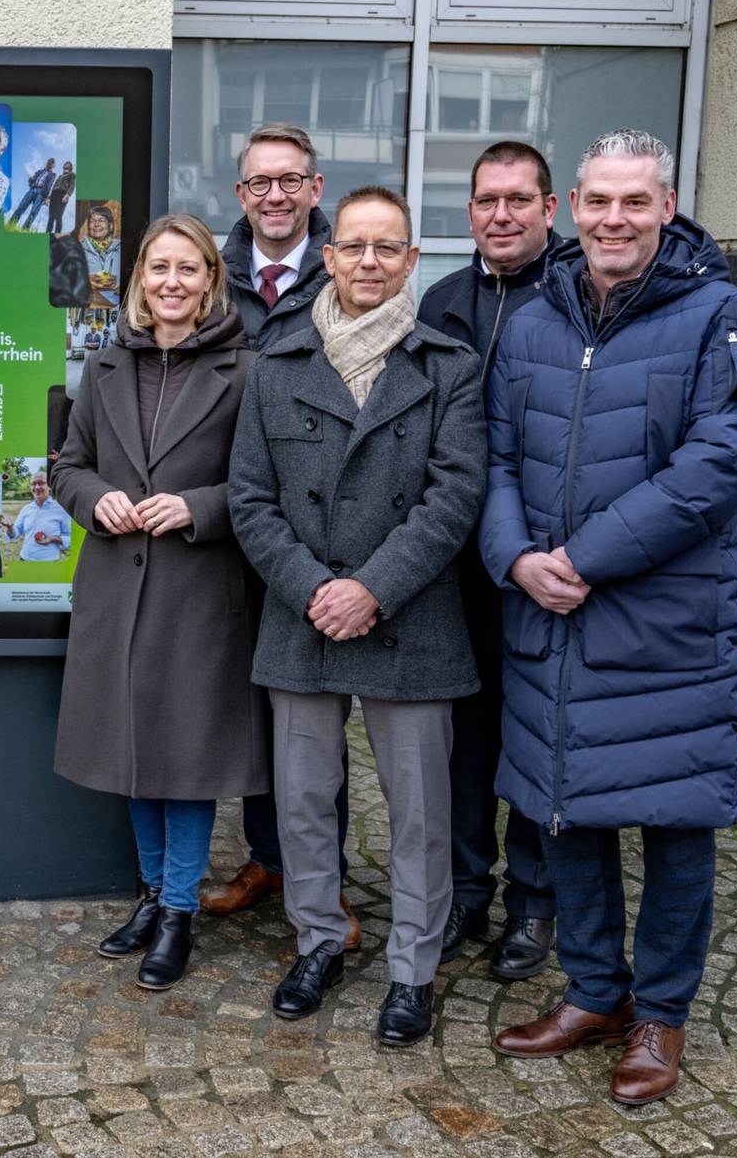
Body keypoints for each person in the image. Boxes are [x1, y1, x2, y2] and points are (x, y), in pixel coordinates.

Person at [483, 130, 737, 1105]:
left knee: (676, 823)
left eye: (633, 202)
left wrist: (582, 557)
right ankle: (596, 991)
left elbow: (720, 461)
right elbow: (495, 457)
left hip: (669, 628)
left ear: (666, 205)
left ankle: (660, 1016)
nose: (614, 219)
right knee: (568, 808)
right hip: (552, 619)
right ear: (571, 206)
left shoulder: (720, 314)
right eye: (598, 201)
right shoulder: (532, 318)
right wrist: (516, 555)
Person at [229, 185, 484, 1047]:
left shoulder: (449, 364)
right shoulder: (275, 362)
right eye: (355, 246)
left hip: (409, 615)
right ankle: (318, 938)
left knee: (420, 812)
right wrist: (313, 588)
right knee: (303, 801)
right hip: (301, 613)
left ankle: (413, 968)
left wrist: (373, 587)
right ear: (327, 257)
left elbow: (456, 498)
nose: (370, 261)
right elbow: (249, 499)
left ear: (413, 260)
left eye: (389, 247)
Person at [52, 213, 265, 991]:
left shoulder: (246, 369)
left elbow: (261, 488)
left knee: (186, 760)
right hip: (116, 585)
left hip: (199, 592)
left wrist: (198, 508)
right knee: (131, 754)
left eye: (188, 267)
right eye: (157, 267)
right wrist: (95, 497)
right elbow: (67, 464)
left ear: (211, 278)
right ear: (140, 278)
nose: (171, 281)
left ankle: (178, 911)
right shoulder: (107, 365)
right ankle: (150, 895)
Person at [200, 122, 357, 952]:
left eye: (290, 181)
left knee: (312, 714)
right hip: (224, 519)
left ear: (315, 188)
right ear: (240, 195)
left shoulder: (343, 275)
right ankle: (268, 857)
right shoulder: (213, 279)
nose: (275, 196)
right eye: (260, 182)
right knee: (253, 704)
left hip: (309, 535)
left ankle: (319, 878)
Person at [414, 140, 565, 980]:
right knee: (462, 742)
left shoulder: (578, 297)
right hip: (455, 566)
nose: (500, 215)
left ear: (551, 207)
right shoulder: (440, 300)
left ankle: (535, 903)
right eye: (485, 201)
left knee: (537, 737)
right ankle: (466, 891)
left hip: (544, 561)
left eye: (517, 199)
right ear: (467, 212)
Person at [9, 472, 72, 562]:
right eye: (33, 484)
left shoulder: (61, 509)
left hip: (50, 562)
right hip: (24, 559)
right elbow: (16, 532)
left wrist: (53, 539)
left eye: (41, 483)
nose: (37, 487)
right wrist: (9, 527)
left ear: (49, 486)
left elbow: (70, 538)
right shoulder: (26, 509)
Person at [81, 206, 122, 307]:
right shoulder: (78, 250)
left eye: (101, 220)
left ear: (111, 226)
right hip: (91, 304)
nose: (96, 224)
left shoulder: (121, 248)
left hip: (118, 306)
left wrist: (119, 285)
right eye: (92, 221)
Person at [9, 157, 57, 229]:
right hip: (32, 189)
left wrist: (48, 198)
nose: (50, 162)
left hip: (42, 194)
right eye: (49, 161)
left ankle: (24, 229)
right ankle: (11, 225)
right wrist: (30, 180)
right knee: (21, 207)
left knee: (33, 212)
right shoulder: (39, 171)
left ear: (53, 165)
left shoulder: (53, 175)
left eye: (52, 162)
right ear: (47, 162)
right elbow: (31, 182)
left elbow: (52, 186)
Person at [46, 161, 77, 233]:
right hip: (54, 194)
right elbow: (54, 187)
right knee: (51, 217)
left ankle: (57, 235)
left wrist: (67, 194)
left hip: (63, 193)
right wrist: (49, 198)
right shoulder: (60, 176)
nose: (66, 164)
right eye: (65, 163)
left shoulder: (72, 174)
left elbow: (72, 185)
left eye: (68, 164)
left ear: (71, 167)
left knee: (58, 215)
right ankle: (47, 234)